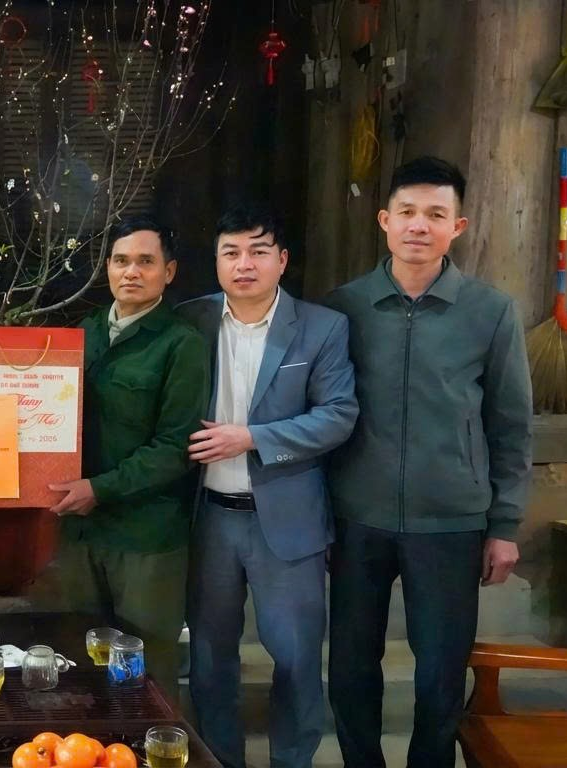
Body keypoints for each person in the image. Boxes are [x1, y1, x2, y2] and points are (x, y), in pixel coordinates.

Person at [324, 156, 533, 768]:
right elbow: (323, 417)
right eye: (408, 212)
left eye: (436, 215)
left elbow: (511, 424)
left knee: (440, 673)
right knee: (350, 668)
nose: (419, 225)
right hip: (358, 517)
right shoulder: (343, 308)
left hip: (451, 521)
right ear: (384, 221)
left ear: (457, 227)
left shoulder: (490, 311)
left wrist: (504, 525)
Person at [177, 206, 357, 768]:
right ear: (216, 262)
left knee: (297, 658)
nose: (244, 264)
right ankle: (220, 759)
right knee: (210, 658)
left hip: (287, 518)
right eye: (231, 253)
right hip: (209, 518)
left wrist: (252, 437)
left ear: (282, 260)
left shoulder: (322, 327)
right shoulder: (190, 320)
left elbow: (338, 415)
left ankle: (292, 760)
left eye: (258, 252)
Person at [48, 214, 209, 702]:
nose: (131, 272)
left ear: (169, 271)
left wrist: (99, 489)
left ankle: (150, 744)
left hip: (145, 539)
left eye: (145, 261)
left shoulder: (181, 344)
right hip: (79, 533)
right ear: (107, 268)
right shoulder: (85, 334)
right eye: (121, 261)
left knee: (144, 673)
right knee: (77, 666)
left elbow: (175, 448)